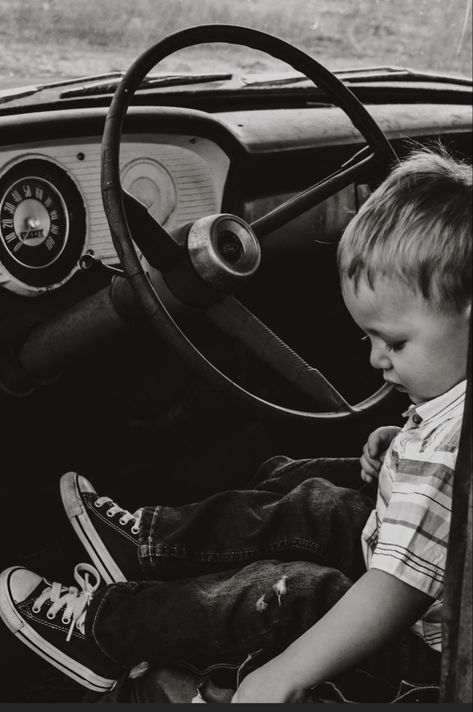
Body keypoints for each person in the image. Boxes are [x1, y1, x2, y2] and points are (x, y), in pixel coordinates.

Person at [0, 147, 470, 703]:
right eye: (368, 339)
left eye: (394, 342)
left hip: (426, 654)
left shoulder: (448, 454)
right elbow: (437, 496)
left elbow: (396, 590)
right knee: (316, 499)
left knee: (289, 592)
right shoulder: (448, 411)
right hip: (419, 575)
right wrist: (400, 444)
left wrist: (287, 675)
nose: (374, 360)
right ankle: (148, 545)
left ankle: (105, 632)